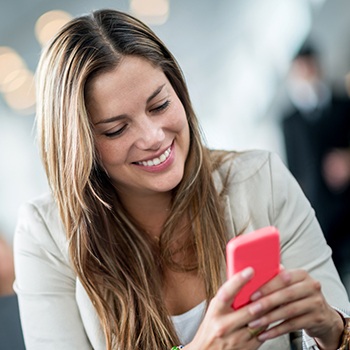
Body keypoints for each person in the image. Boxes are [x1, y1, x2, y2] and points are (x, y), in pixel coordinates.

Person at [13, 9, 350, 350]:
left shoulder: (261, 181)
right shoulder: (47, 237)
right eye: (116, 129)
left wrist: (333, 331)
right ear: (78, 146)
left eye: (159, 106)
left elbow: (339, 325)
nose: (153, 137)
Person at [281, 42, 350, 283]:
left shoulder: (343, 104)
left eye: (309, 67)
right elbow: (294, 170)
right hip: (319, 211)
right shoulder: (289, 121)